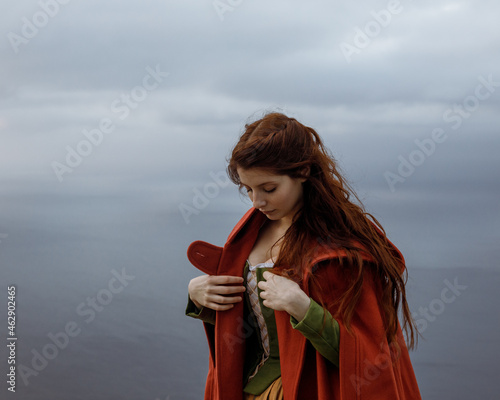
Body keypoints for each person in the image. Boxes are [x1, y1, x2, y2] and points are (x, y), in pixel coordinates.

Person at [185, 112, 421, 400]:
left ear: (303, 172)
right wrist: (200, 296)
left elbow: (367, 361)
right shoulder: (249, 233)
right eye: (248, 189)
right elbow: (243, 331)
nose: (257, 202)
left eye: (269, 189)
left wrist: (302, 308)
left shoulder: (341, 249)